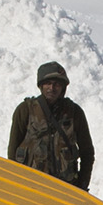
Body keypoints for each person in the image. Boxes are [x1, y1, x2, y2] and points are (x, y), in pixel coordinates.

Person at [7, 61, 95, 189]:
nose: (52, 88)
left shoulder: (74, 112)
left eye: (57, 84)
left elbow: (87, 152)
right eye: (48, 83)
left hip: (66, 187)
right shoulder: (26, 110)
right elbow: (13, 151)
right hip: (31, 186)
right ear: (41, 86)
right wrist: (15, 183)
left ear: (63, 88)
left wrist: (82, 185)